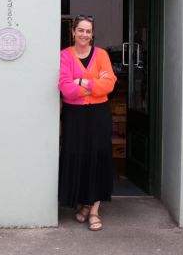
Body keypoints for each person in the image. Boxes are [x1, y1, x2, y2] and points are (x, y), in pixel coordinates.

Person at [58, 15, 117, 231]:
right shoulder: (64, 56)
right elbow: (65, 87)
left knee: (98, 157)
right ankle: (83, 204)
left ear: (92, 34)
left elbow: (109, 84)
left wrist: (81, 81)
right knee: (78, 156)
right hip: (75, 115)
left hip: (98, 114)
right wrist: (94, 85)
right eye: (80, 30)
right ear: (73, 31)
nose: (84, 34)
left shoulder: (101, 55)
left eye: (88, 31)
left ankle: (94, 210)